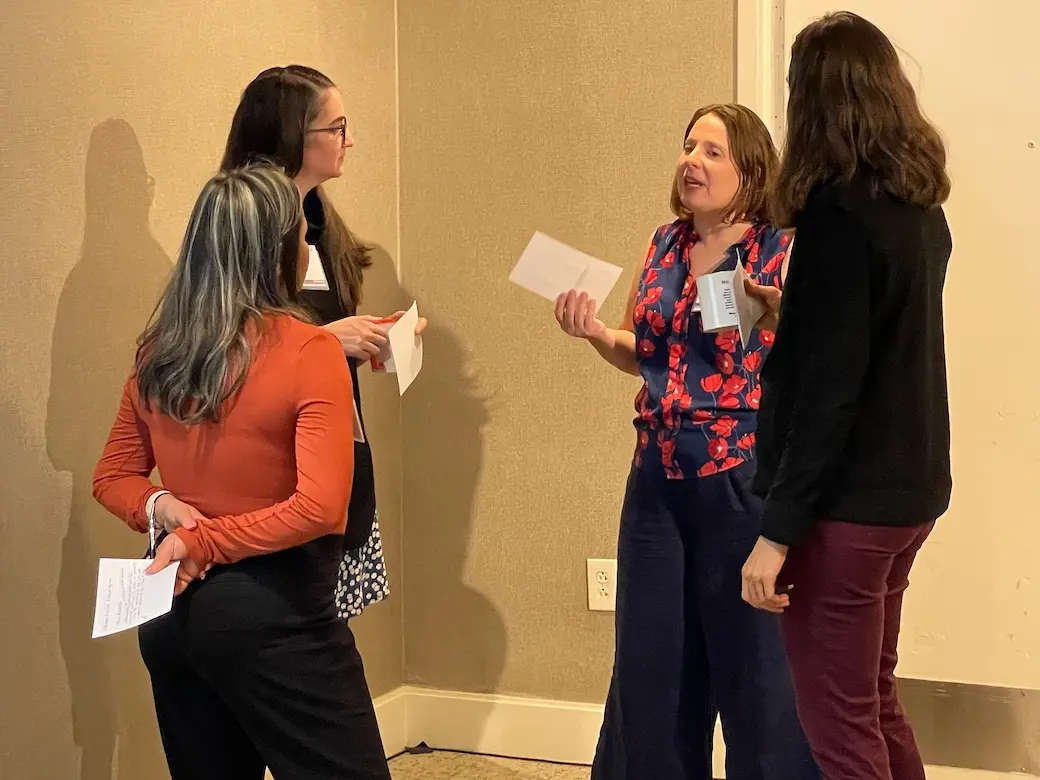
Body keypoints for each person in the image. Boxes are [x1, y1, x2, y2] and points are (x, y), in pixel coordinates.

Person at [92, 164, 391, 779]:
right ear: (274, 251)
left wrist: (159, 510)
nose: (310, 247)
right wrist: (195, 533)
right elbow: (320, 507)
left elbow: (113, 476)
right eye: (301, 237)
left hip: (172, 618)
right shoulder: (311, 350)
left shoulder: (160, 351)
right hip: (277, 618)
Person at [556, 104, 818, 780]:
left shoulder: (778, 248)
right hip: (655, 484)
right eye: (688, 147)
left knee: (756, 676)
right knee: (652, 671)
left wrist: (779, 314)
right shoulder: (664, 243)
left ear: (751, 170)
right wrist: (593, 334)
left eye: (712, 152)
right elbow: (642, 352)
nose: (692, 161)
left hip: (740, 482)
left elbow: (802, 361)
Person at [740, 12, 952, 780]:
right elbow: (873, 340)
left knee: (838, 723)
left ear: (814, 100)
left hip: (846, 508)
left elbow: (831, 393)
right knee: (874, 699)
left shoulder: (835, 214)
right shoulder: (919, 211)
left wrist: (776, 532)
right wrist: (787, 312)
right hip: (909, 495)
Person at [222, 64, 424, 619]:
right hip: (273, 475)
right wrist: (325, 340)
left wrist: (369, 339)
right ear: (293, 135)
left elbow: (311, 329)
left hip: (332, 446)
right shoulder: (241, 226)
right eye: (336, 128)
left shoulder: (318, 220)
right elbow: (228, 345)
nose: (349, 140)